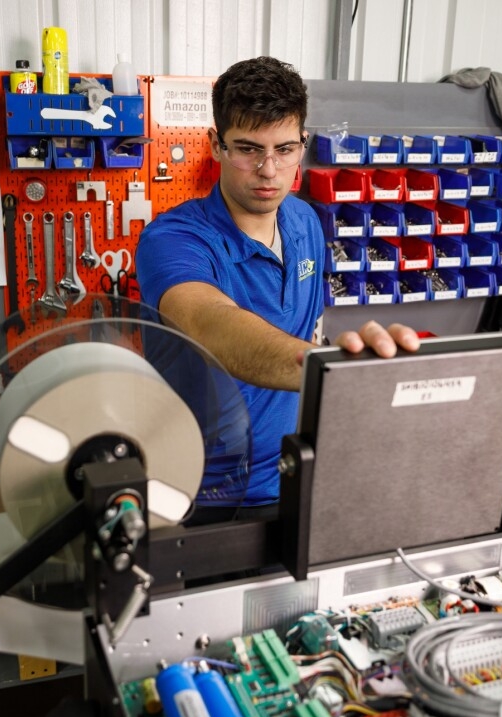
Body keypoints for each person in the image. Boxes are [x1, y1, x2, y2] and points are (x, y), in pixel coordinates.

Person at [135, 56, 418, 523]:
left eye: (285, 149)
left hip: (294, 472)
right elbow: (211, 325)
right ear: (215, 145)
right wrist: (335, 373)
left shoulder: (305, 221)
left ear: (303, 145)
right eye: (248, 148)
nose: (269, 169)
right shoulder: (173, 240)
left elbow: (311, 330)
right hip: (198, 491)